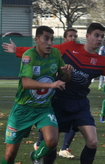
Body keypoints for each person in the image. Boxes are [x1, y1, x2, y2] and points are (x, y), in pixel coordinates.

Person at [2, 23, 105, 164]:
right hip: (59, 101)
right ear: (87, 36)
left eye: (102, 36)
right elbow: (44, 49)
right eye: (96, 35)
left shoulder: (102, 61)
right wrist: (18, 50)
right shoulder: (70, 47)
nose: (100, 39)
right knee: (51, 143)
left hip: (80, 104)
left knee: (92, 142)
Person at [0, 26, 73, 164]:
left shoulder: (56, 54)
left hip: (44, 108)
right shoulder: (29, 56)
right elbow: (26, 83)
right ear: (37, 39)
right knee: (10, 155)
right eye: (46, 39)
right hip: (23, 109)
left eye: (52, 39)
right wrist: (51, 85)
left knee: (52, 141)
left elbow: (64, 79)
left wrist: (67, 73)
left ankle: (35, 156)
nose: (50, 43)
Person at [33, 28, 78, 159]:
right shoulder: (58, 51)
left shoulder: (78, 52)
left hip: (73, 91)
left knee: (74, 119)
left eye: (75, 36)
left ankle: (64, 148)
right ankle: (40, 143)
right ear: (65, 39)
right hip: (56, 90)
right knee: (51, 120)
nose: (73, 38)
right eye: (70, 36)